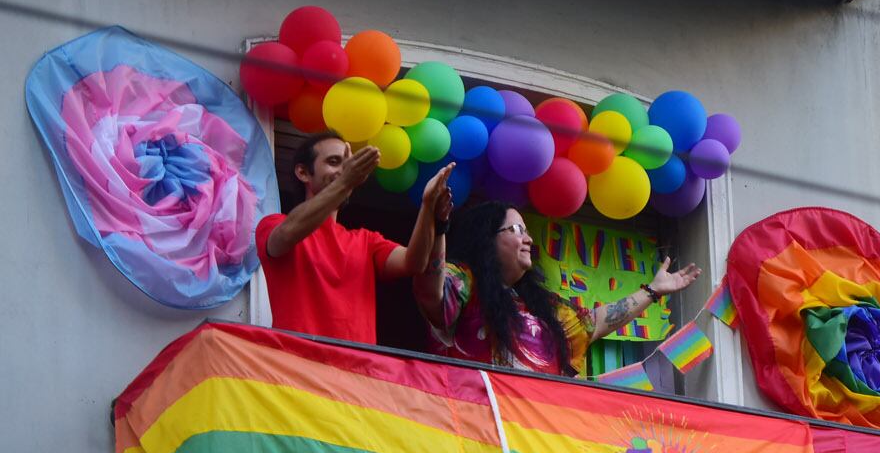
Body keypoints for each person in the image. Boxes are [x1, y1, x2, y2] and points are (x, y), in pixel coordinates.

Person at [413, 201, 700, 376]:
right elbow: (431, 288)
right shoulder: (464, 282)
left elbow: (594, 323)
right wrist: (437, 228)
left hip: (533, 443)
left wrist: (652, 291)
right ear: (485, 239)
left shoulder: (545, 307)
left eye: (526, 231)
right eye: (515, 231)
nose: (527, 239)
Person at [256, 131, 453, 344]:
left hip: (356, 373)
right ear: (303, 172)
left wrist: (428, 209)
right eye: (334, 162)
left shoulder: (366, 241)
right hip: (299, 369)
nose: (344, 169)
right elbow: (285, 235)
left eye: (348, 164)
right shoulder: (273, 224)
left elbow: (414, 262)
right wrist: (346, 181)